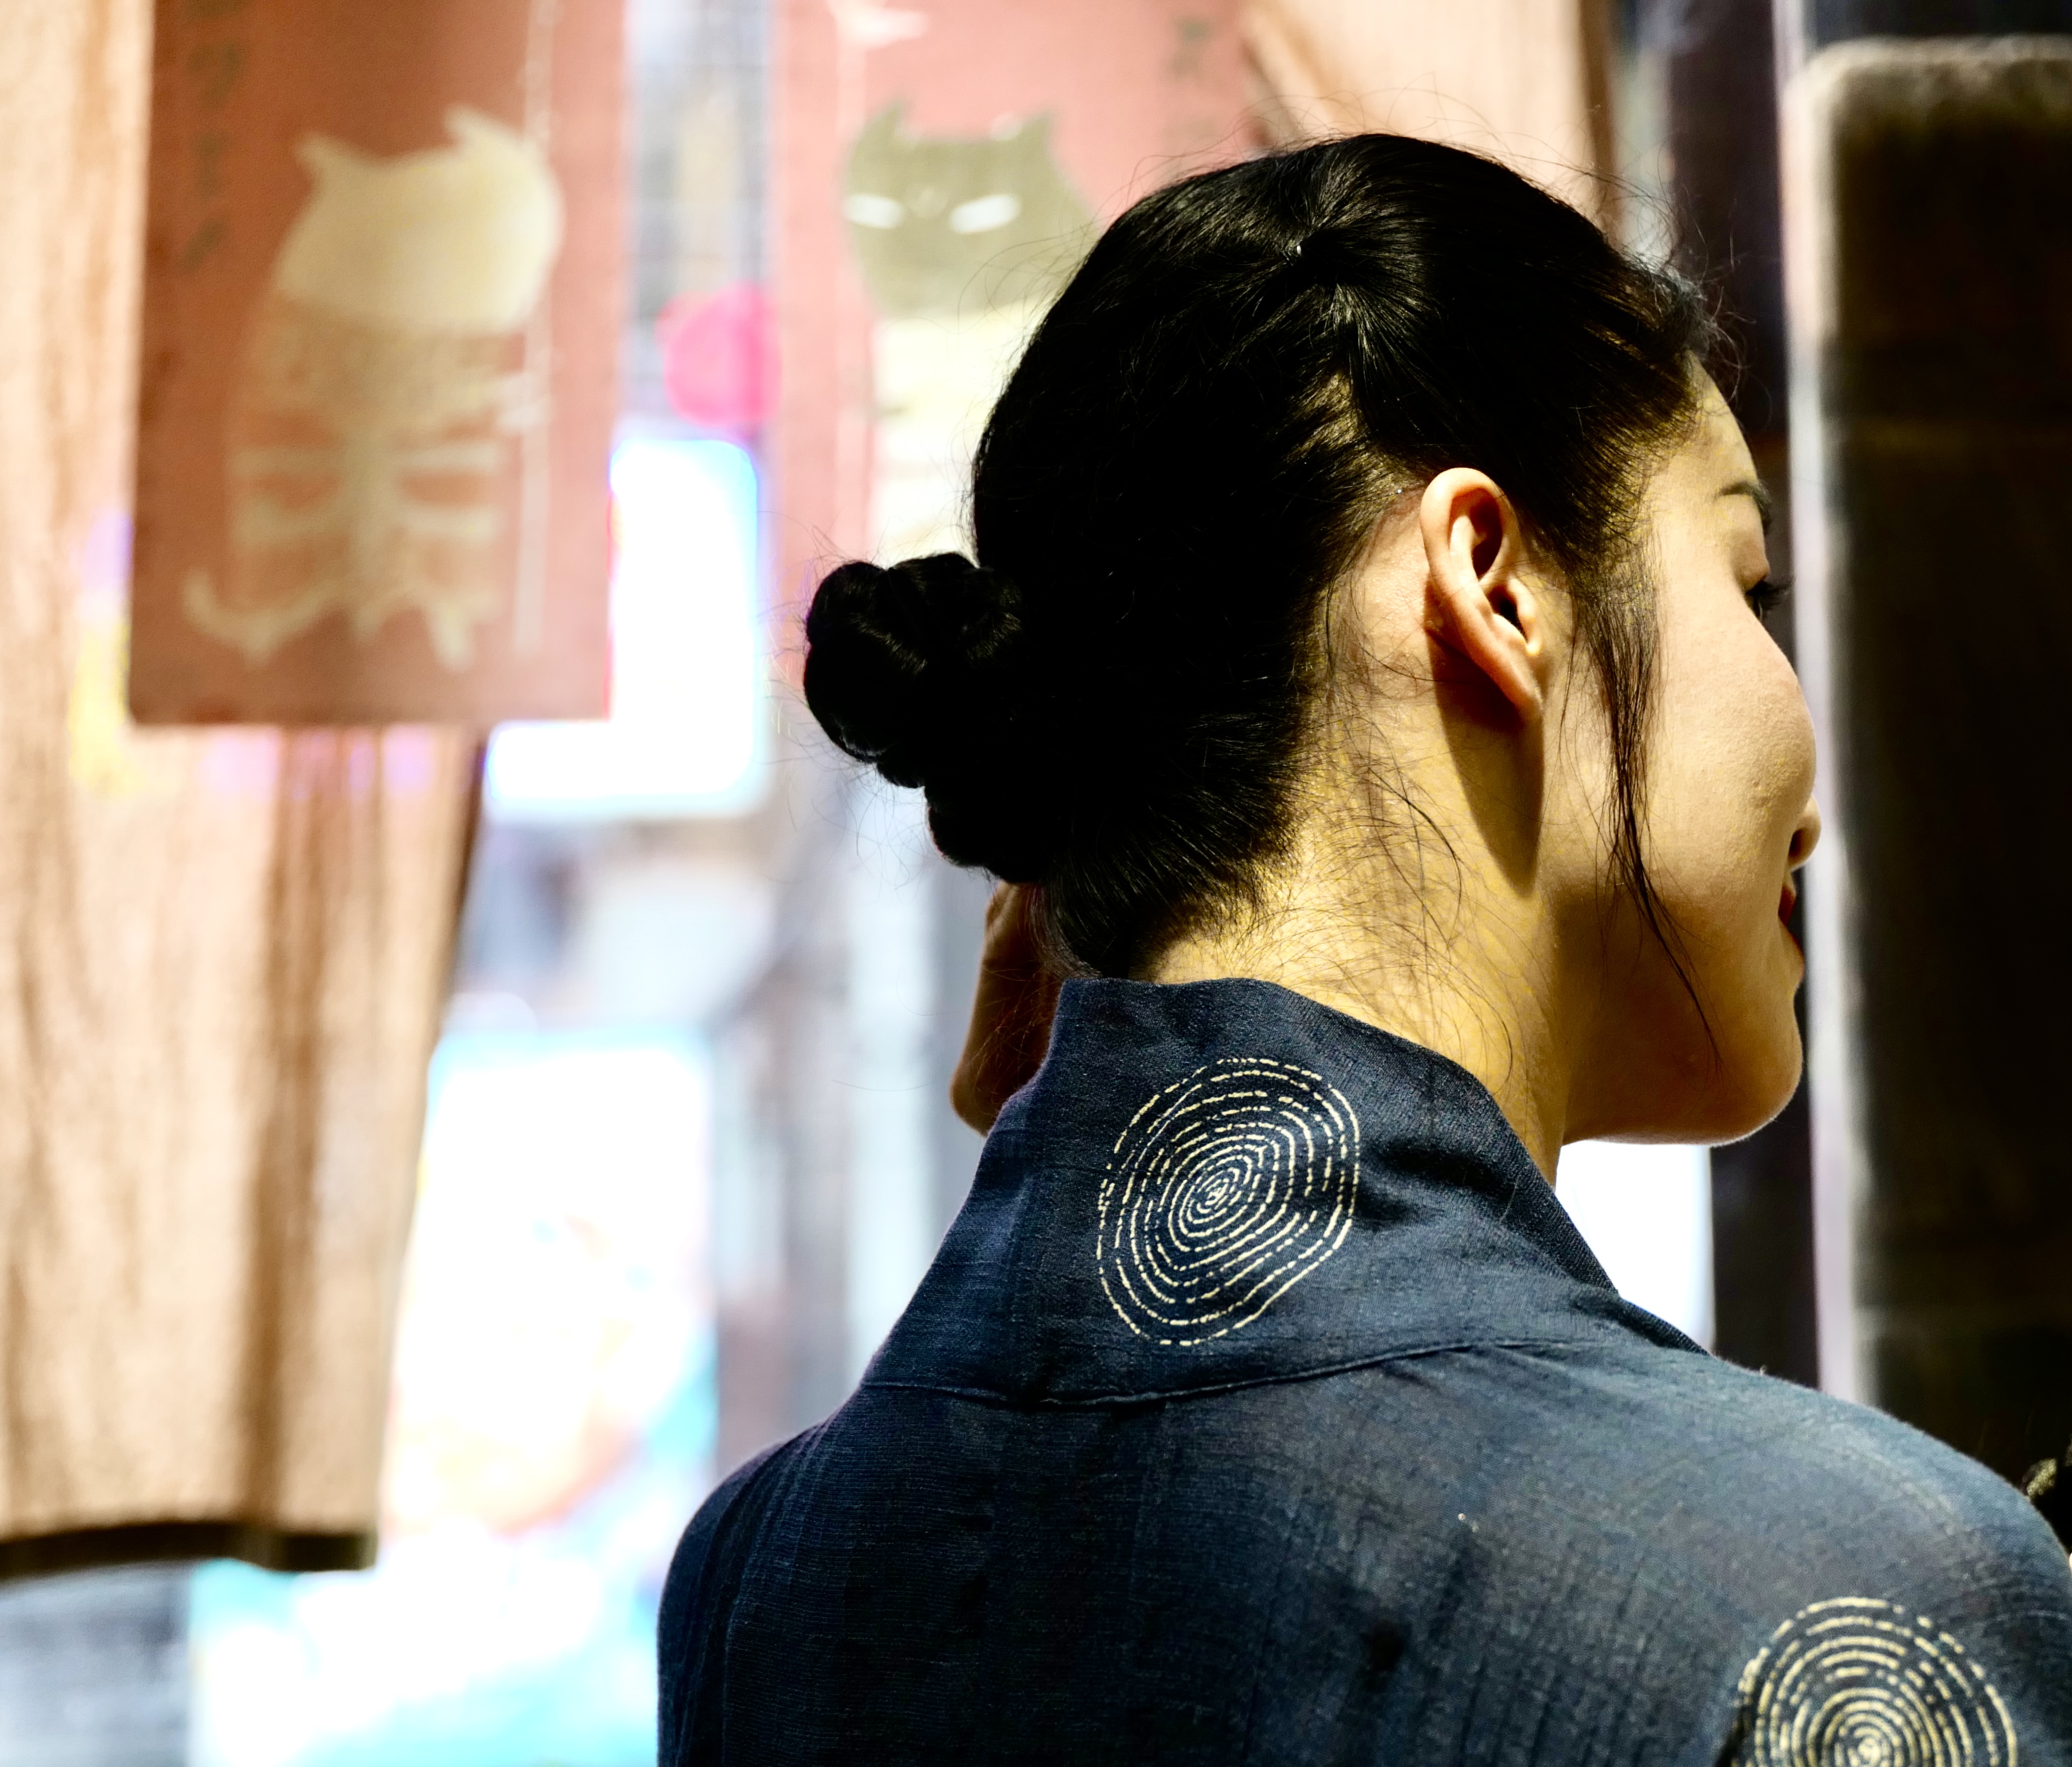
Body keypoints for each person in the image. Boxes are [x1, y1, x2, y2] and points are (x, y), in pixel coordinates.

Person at [658, 133, 2072, 1763]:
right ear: (1492, 584)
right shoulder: (1826, 1603)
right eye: (1746, 582)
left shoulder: (764, 1579)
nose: (1809, 794)